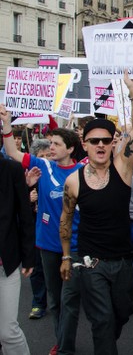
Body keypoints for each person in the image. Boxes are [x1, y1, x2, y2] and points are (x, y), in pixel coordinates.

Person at [59, 72, 133, 355]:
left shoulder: (123, 169)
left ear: (112, 144)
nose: (100, 145)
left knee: (121, 313)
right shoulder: (73, 181)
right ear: (84, 144)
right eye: (94, 141)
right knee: (102, 320)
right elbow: (66, 219)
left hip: (121, 261)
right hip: (89, 262)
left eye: (105, 141)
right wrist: (66, 256)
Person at [0, 105, 83, 355]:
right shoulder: (43, 167)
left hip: (77, 246)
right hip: (47, 244)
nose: (51, 147)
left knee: (69, 300)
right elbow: (12, 151)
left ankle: (65, 347)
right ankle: (61, 340)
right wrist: (6, 124)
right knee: (55, 300)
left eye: (56, 143)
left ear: (69, 148)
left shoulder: (84, 171)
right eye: (50, 143)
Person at [0, 154, 35, 355]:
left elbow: (24, 215)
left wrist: (28, 255)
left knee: (8, 332)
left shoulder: (10, 169)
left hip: (6, 263)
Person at [27, 139, 51, 321]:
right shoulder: (25, 177)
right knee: (37, 267)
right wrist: (28, 199)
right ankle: (38, 303)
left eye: (47, 156)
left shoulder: (56, 175)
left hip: (54, 229)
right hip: (34, 229)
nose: (44, 160)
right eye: (40, 157)